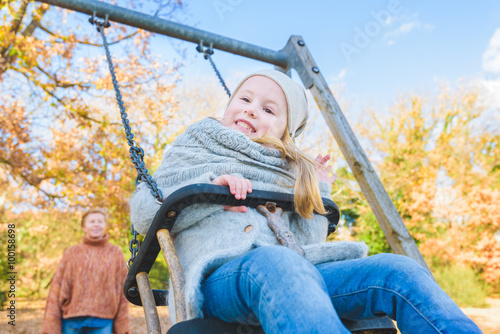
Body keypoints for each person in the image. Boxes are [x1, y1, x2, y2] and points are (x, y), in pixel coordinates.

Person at [129, 70, 481, 334]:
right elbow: (146, 214)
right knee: (276, 262)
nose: (252, 111)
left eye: (268, 109)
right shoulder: (194, 148)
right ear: (229, 104)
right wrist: (209, 191)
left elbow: (308, 245)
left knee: (397, 271)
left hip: (297, 272)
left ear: (285, 130)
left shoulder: (289, 170)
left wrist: (317, 193)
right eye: (245, 99)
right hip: (220, 279)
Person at [41, 209, 130, 334]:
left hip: (103, 321)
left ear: (105, 226)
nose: (96, 224)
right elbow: (57, 287)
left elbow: (122, 290)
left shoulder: (116, 253)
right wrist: (51, 322)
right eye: (91, 221)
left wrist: (123, 323)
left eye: (100, 221)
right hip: (72, 321)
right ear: (84, 227)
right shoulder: (71, 252)